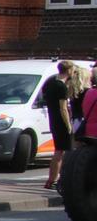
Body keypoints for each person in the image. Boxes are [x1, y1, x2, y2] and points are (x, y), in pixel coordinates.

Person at [42, 60, 76, 190]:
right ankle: (56, 179)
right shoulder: (61, 87)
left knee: (58, 150)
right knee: (61, 152)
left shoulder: (51, 82)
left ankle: (51, 179)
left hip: (52, 119)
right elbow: (63, 108)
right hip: (61, 121)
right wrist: (68, 125)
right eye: (72, 69)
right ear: (68, 70)